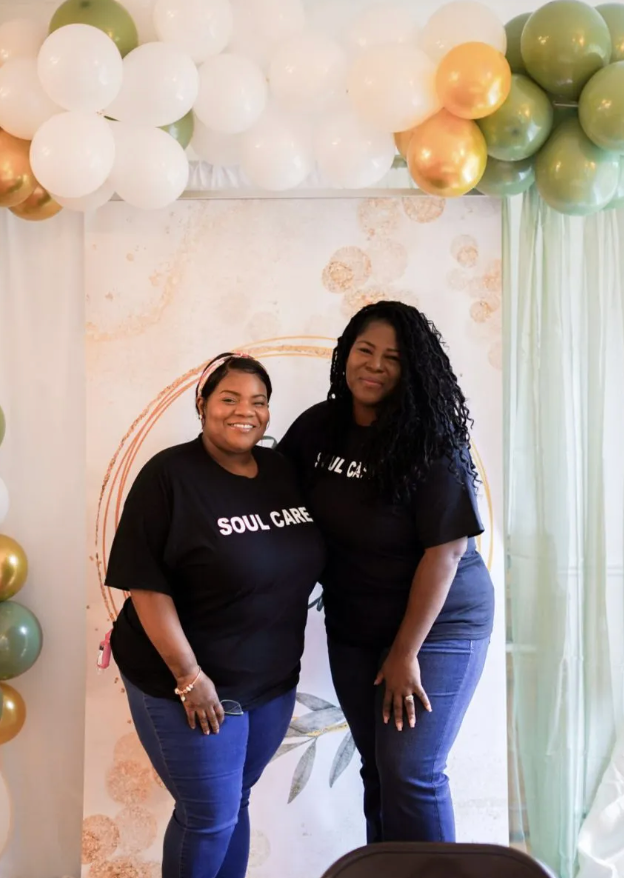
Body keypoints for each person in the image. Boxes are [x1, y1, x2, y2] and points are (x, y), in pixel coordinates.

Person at [278, 301, 494, 845]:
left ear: (411, 368)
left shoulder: (431, 441)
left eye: (392, 358)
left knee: (411, 773)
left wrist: (404, 654)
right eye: (364, 350)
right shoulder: (319, 427)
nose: (373, 365)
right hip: (356, 624)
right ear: (346, 354)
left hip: (439, 626)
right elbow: (270, 495)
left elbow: (444, 553)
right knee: (378, 768)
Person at [105, 353, 326, 878]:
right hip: (188, 682)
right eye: (229, 398)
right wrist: (189, 676)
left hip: (270, 683)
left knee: (235, 803)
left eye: (258, 401)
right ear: (202, 404)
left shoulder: (280, 471)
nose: (243, 411)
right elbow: (146, 586)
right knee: (208, 816)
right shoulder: (168, 475)